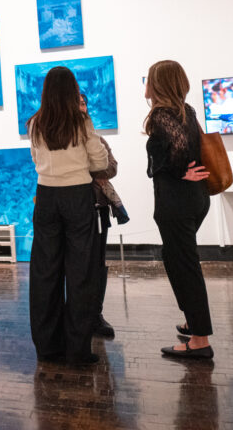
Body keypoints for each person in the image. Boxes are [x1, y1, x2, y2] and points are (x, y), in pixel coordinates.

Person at [29, 67, 109, 365]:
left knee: (45, 272)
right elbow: (99, 159)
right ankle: (77, 349)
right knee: (81, 273)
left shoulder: (35, 123)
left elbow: (36, 159)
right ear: (73, 91)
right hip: (77, 195)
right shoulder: (81, 120)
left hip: (46, 197)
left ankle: (47, 347)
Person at [144, 60, 214, 359]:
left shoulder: (161, 115)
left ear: (157, 83)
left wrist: (177, 171)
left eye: (148, 78)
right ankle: (192, 321)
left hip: (177, 201)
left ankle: (200, 341)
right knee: (175, 258)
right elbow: (187, 145)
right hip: (196, 198)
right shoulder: (188, 111)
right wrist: (183, 170)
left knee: (185, 266)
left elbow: (179, 148)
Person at [79, 93, 128, 339]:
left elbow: (112, 167)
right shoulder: (68, 141)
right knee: (78, 265)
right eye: (77, 102)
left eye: (84, 103)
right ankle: (78, 314)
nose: (82, 106)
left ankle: (96, 314)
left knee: (98, 264)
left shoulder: (98, 139)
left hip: (99, 208)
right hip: (76, 209)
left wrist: (90, 168)